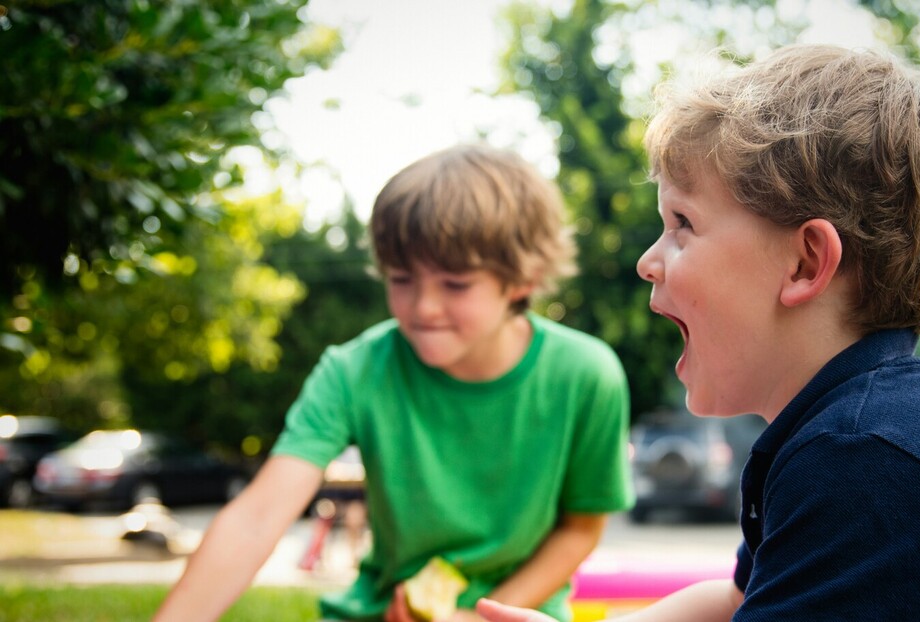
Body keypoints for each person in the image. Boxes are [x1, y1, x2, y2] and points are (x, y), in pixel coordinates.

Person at [476, 44, 920, 622]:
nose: (647, 259)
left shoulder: (866, 456)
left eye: (682, 223)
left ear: (805, 263)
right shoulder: (850, 426)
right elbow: (735, 601)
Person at [154, 144, 635, 622]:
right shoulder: (353, 371)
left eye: (455, 284)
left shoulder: (587, 374)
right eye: (402, 278)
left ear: (523, 279)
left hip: (518, 614)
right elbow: (256, 518)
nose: (423, 307)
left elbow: (581, 527)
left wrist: (480, 616)